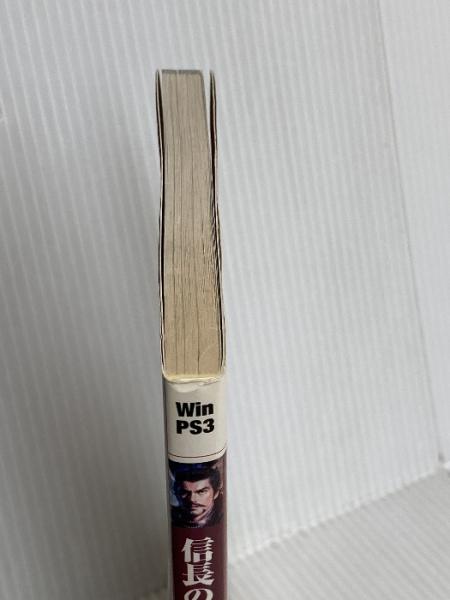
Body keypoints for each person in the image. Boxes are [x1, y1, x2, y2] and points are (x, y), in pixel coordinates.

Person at [171, 462, 224, 528]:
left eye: (201, 492)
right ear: (176, 493)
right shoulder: (173, 516)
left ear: (216, 493)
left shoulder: (222, 516)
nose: (192, 499)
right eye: (184, 492)